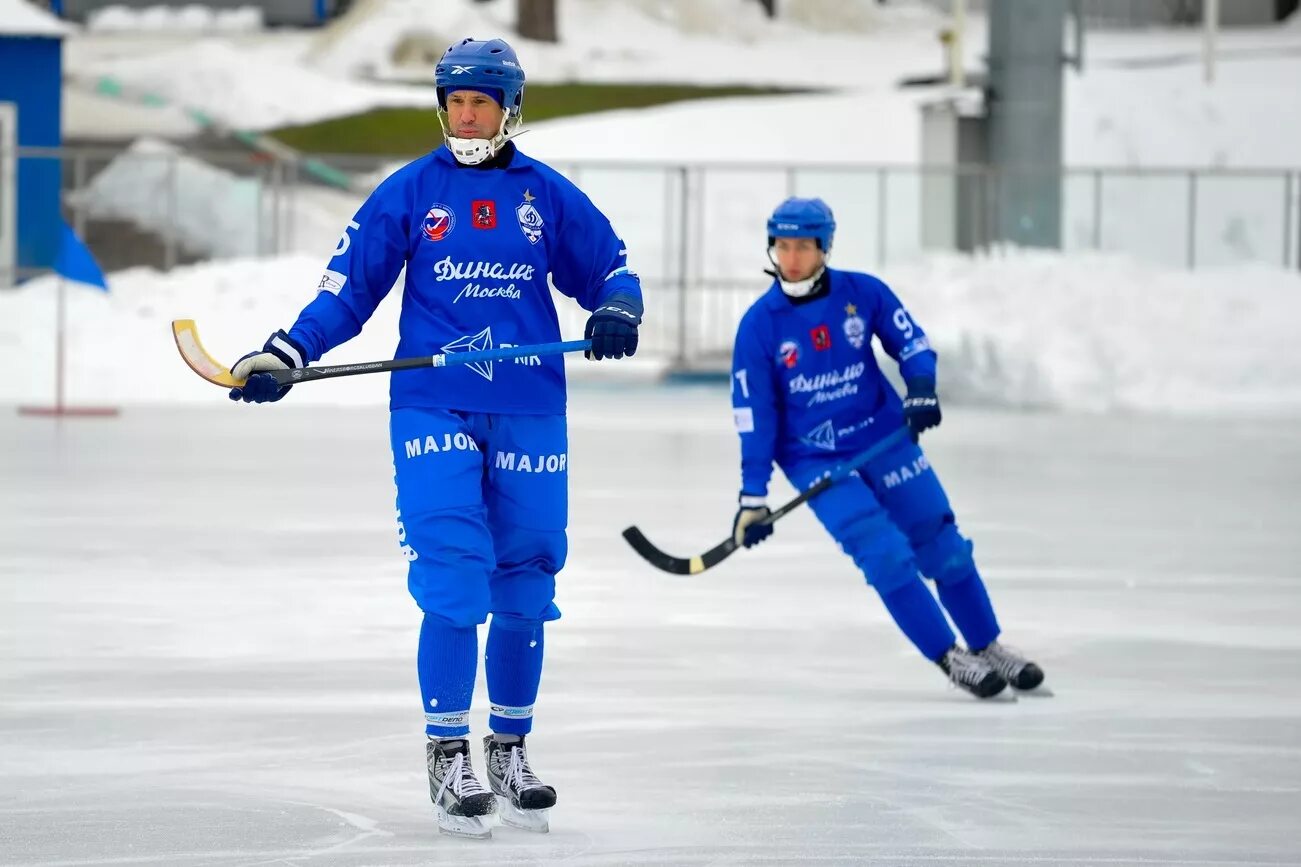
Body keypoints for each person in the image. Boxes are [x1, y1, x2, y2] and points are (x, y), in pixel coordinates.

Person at [226, 37, 643, 838]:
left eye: (479, 101)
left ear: (509, 108)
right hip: (432, 404)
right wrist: (288, 350)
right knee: (454, 567)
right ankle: (447, 752)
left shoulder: (545, 195)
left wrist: (617, 309)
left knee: (526, 575)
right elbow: (348, 289)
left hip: (529, 404)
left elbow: (610, 269)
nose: (464, 114)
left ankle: (510, 747)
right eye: (453, 100)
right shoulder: (411, 191)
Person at [728, 197, 1043, 700]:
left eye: (803, 247)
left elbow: (912, 344)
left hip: (884, 438)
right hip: (818, 461)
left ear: (825, 247)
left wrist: (920, 387)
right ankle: (949, 655)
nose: (791, 259)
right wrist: (752, 496)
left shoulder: (863, 293)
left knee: (945, 547)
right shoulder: (759, 326)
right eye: (782, 246)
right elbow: (754, 418)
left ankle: (988, 645)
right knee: (885, 556)